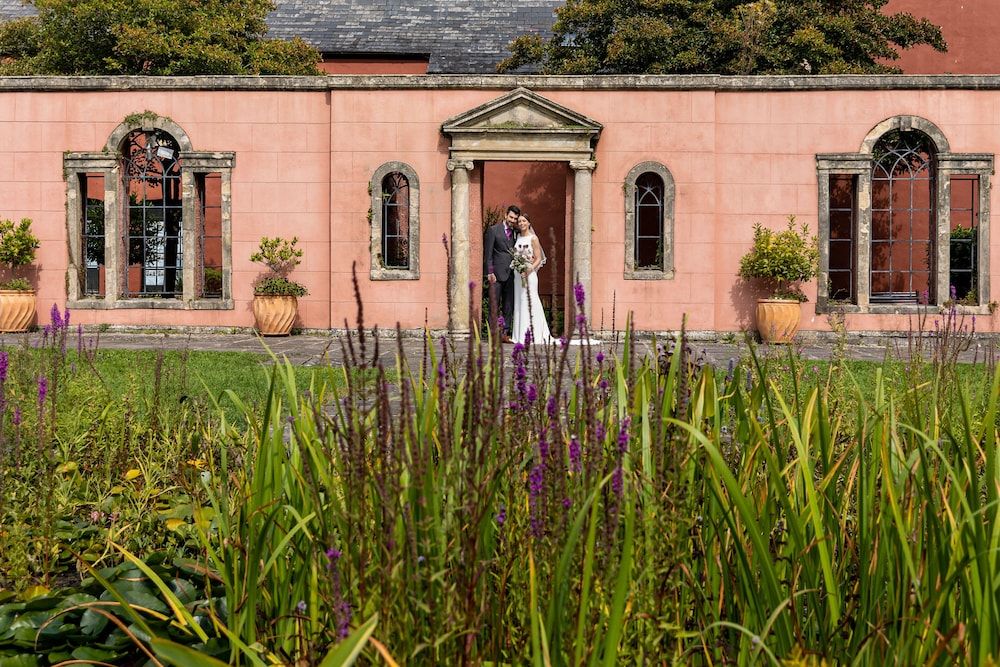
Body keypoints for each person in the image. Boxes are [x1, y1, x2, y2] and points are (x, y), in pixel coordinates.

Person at [511, 213, 553, 345]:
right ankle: (520, 335)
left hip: (530, 274)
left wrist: (529, 270)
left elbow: (539, 258)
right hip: (518, 275)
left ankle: (534, 334)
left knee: (531, 300)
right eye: (519, 221)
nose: (521, 223)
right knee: (520, 301)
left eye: (524, 221)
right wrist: (519, 267)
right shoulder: (517, 237)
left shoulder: (533, 238)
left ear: (529, 223)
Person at [484, 204, 520, 343]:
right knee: (494, 304)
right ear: (505, 215)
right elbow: (488, 254)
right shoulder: (493, 230)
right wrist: (490, 272)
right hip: (496, 275)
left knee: (508, 305)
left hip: (512, 274)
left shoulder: (516, 232)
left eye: (515, 218)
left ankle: (505, 333)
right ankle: (492, 334)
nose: (512, 220)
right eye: (511, 217)